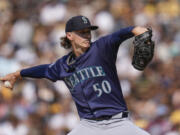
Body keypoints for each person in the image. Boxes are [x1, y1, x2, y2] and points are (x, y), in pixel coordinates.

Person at [0, 15, 151, 135]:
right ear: (70, 36)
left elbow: (119, 35)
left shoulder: (101, 48)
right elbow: (43, 70)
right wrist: (18, 74)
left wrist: (137, 29)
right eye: (82, 33)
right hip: (89, 125)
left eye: (88, 32)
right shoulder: (63, 65)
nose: (87, 36)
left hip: (118, 122)